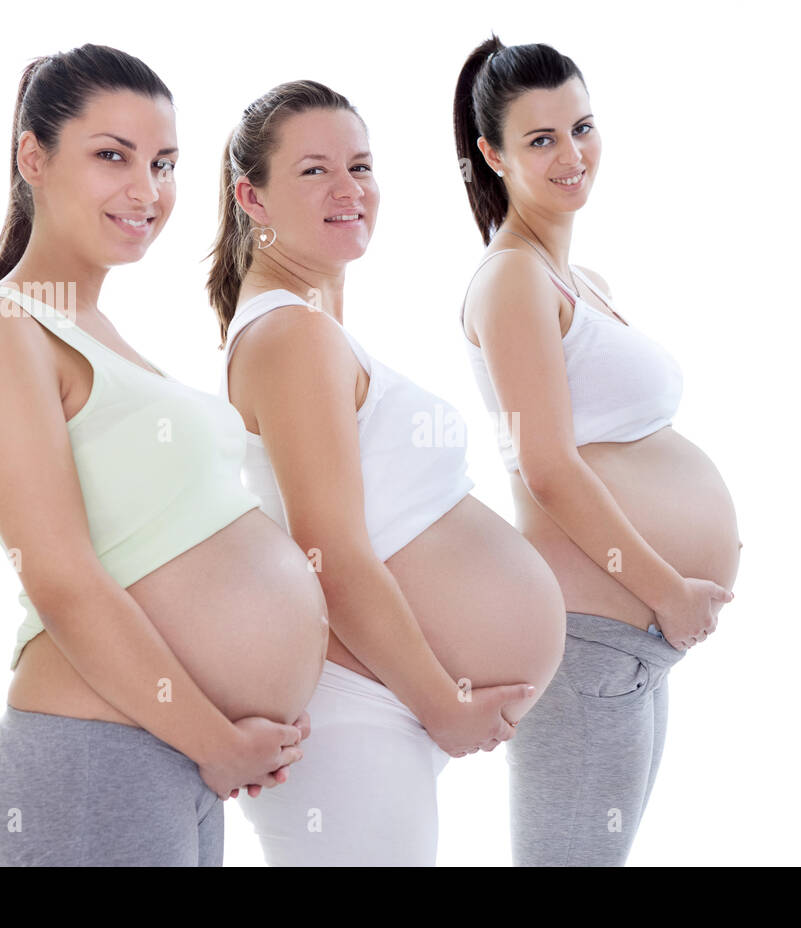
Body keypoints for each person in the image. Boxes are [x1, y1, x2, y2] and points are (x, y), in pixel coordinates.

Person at [0, 44, 328, 866]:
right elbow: (61, 578)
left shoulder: (101, 334)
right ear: (32, 157)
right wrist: (215, 740)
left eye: (163, 163)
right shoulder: (0, 330)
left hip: (166, 755)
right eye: (111, 156)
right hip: (95, 761)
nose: (146, 190)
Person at [206, 81, 567, 865]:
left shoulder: (312, 333)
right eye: (313, 171)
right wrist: (444, 703)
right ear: (252, 198)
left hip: (383, 703)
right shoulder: (291, 338)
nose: (349, 188)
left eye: (361, 165)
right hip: (360, 708)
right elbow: (327, 551)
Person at [453, 36, 743, 866]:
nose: (572, 155)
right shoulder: (511, 279)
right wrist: (668, 590)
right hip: (592, 640)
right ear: (493, 154)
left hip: (630, 641)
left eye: (582, 127)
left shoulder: (582, 281)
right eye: (540, 140)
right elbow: (545, 468)